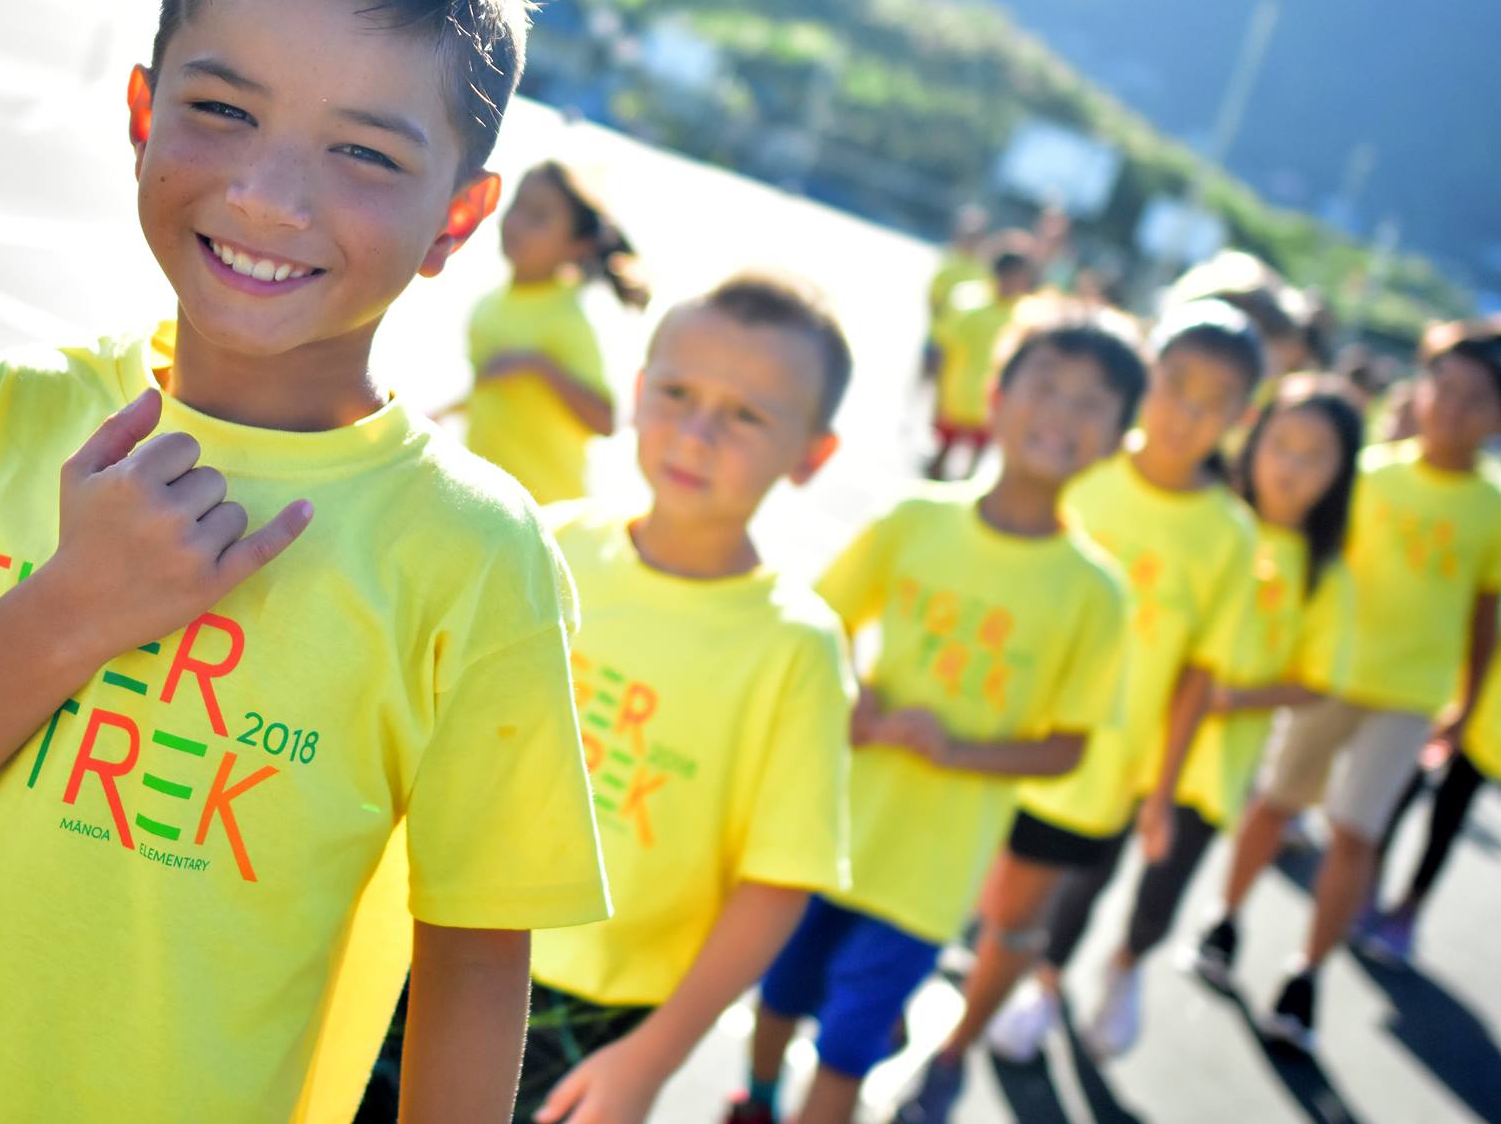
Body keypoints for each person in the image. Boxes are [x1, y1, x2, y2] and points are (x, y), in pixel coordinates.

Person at [0, 0, 612, 1124]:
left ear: (458, 217)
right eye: (224, 110)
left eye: (360, 152)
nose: (272, 195)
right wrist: (73, 608)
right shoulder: (15, 416)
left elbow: (472, 955)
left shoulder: (474, 558)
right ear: (141, 111)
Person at [742, 313, 1145, 1124]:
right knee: (777, 991)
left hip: (929, 877)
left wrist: (955, 747)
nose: (1062, 414)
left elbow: (1066, 747)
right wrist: (851, 698)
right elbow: (814, 626)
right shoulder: (914, 518)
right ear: (996, 395)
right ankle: (752, 1100)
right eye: (1046, 387)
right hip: (824, 827)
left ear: (1116, 440)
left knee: (848, 1043)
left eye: (1090, 403)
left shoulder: (1095, 592)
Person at [509, 273, 860, 1124]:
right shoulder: (539, 542)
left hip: (599, 1014)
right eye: (676, 392)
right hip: (432, 942)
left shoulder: (795, 646)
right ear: (638, 394)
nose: (698, 432)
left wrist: (651, 1059)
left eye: (746, 414)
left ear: (811, 454)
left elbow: (777, 881)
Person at [927, 303, 1263, 1082]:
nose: (1187, 411)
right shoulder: (1079, 465)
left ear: (1242, 416)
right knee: (949, 887)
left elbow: (1198, 673)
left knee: (1020, 915)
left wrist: (1160, 791)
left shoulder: (1228, 533)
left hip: (1093, 766)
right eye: (1174, 383)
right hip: (987, 721)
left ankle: (951, 1055)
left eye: (1215, 399)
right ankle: (915, 1009)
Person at [1194, 321, 1501, 1052]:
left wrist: (1465, 703)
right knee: (1276, 802)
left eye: (1474, 398)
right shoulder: (1369, 474)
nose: (1450, 408)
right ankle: (1224, 914)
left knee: (1355, 833)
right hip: (1325, 678)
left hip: (1409, 694)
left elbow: (1486, 612)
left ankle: (1306, 974)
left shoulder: (1491, 509)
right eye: (1442, 387)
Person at [1070, 376, 1362, 1059]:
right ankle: (1044, 978)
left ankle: (1124, 966)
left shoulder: (1324, 572)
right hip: (1134, 737)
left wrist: (1230, 699)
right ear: (1253, 440)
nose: (1289, 466)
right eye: (1281, 444)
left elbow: (1317, 679)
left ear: (1341, 473)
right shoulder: (1207, 518)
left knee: (1161, 884)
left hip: (1211, 763)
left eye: (1313, 455)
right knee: (1084, 868)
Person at [450, 160, 649, 503]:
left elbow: (605, 420)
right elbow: (495, 389)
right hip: (482, 497)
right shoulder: (489, 305)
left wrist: (538, 365)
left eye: (538, 217)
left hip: (545, 507)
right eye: (517, 206)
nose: (516, 224)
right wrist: (445, 413)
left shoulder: (569, 317)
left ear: (577, 246)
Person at [1357, 653, 1501, 963]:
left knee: (1446, 821)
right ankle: (1366, 886)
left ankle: (1407, 912)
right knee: (1396, 796)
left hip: (1489, 729)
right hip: (1442, 703)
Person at [927, 240, 1039, 481]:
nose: (1017, 283)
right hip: (956, 396)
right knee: (941, 457)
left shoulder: (1026, 316)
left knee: (974, 470)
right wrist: (937, 394)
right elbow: (945, 349)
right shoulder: (969, 303)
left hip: (992, 405)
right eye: (1013, 276)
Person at [920, 204, 991, 381]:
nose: (970, 241)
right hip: (937, 341)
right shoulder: (949, 262)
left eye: (975, 237)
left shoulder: (981, 269)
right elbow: (934, 300)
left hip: (961, 349)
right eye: (968, 235)